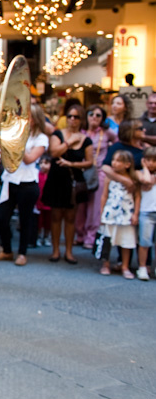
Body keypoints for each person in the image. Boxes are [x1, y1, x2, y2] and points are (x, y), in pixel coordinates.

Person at [0, 103, 49, 266]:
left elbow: (30, 158)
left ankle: (22, 253)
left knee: (25, 219)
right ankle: (7, 250)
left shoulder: (41, 138)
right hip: (10, 179)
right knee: (2, 217)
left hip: (28, 182)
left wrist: (19, 140)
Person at [40, 103, 93, 264]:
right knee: (56, 215)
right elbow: (54, 152)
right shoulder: (58, 134)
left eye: (76, 117)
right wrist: (69, 142)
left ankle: (69, 252)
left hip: (74, 181)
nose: (72, 119)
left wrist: (72, 165)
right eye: (69, 116)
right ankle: (55, 251)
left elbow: (90, 162)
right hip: (57, 178)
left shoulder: (86, 140)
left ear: (81, 119)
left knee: (71, 217)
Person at [78, 104, 116, 248]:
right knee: (80, 205)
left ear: (102, 118)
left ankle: (90, 236)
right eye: (91, 114)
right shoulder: (81, 132)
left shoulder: (107, 133)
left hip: (98, 172)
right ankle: (79, 234)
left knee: (95, 207)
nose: (94, 117)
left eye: (98, 115)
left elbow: (118, 144)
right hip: (81, 172)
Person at [98, 149, 139, 279]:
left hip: (127, 213)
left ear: (127, 164)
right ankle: (106, 264)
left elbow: (138, 196)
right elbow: (104, 196)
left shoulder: (133, 178)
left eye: (119, 161)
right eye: (113, 160)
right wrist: (102, 212)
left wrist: (135, 214)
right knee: (107, 239)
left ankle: (125, 266)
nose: (114, 163)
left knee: (127, 240)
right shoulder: (109, 178)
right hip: (111, 213)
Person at [135, 146, 156, 280]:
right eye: (148, 160)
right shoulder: (139, 173)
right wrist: (145, 169)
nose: (151, 163)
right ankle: (142, 267)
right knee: (144, 242)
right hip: (146, 212)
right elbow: (146, 181)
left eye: (154, 160)